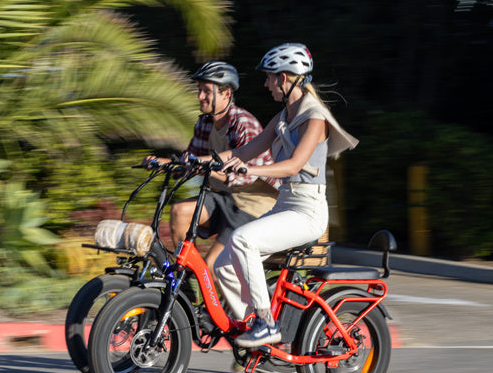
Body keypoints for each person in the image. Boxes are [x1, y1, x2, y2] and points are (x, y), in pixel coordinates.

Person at [213, 43, 359, 348]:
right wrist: (191, 161)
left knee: (242, 240)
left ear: (284, 78)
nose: (266, 84)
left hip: (307, 212)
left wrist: (249, 170)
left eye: (269, 78)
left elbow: (294, 165)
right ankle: (259, 335)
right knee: (223, 266)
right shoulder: (284, 115)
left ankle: (266, 323)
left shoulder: (314, 117)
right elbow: (246, 150)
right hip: (285, 205)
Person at [150, 61, 281, 269]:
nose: (200, 96)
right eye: (199, 90)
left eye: (206, 91)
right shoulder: (205, 123)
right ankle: (186, 279)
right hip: (225, 199)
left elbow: (244, 176)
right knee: (179, 211)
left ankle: (211, 286)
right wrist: (162, 163)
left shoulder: (242, 123)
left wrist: (205, 169)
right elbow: (191, 160)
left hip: (254, 207)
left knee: (213, 264)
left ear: (226, 94)